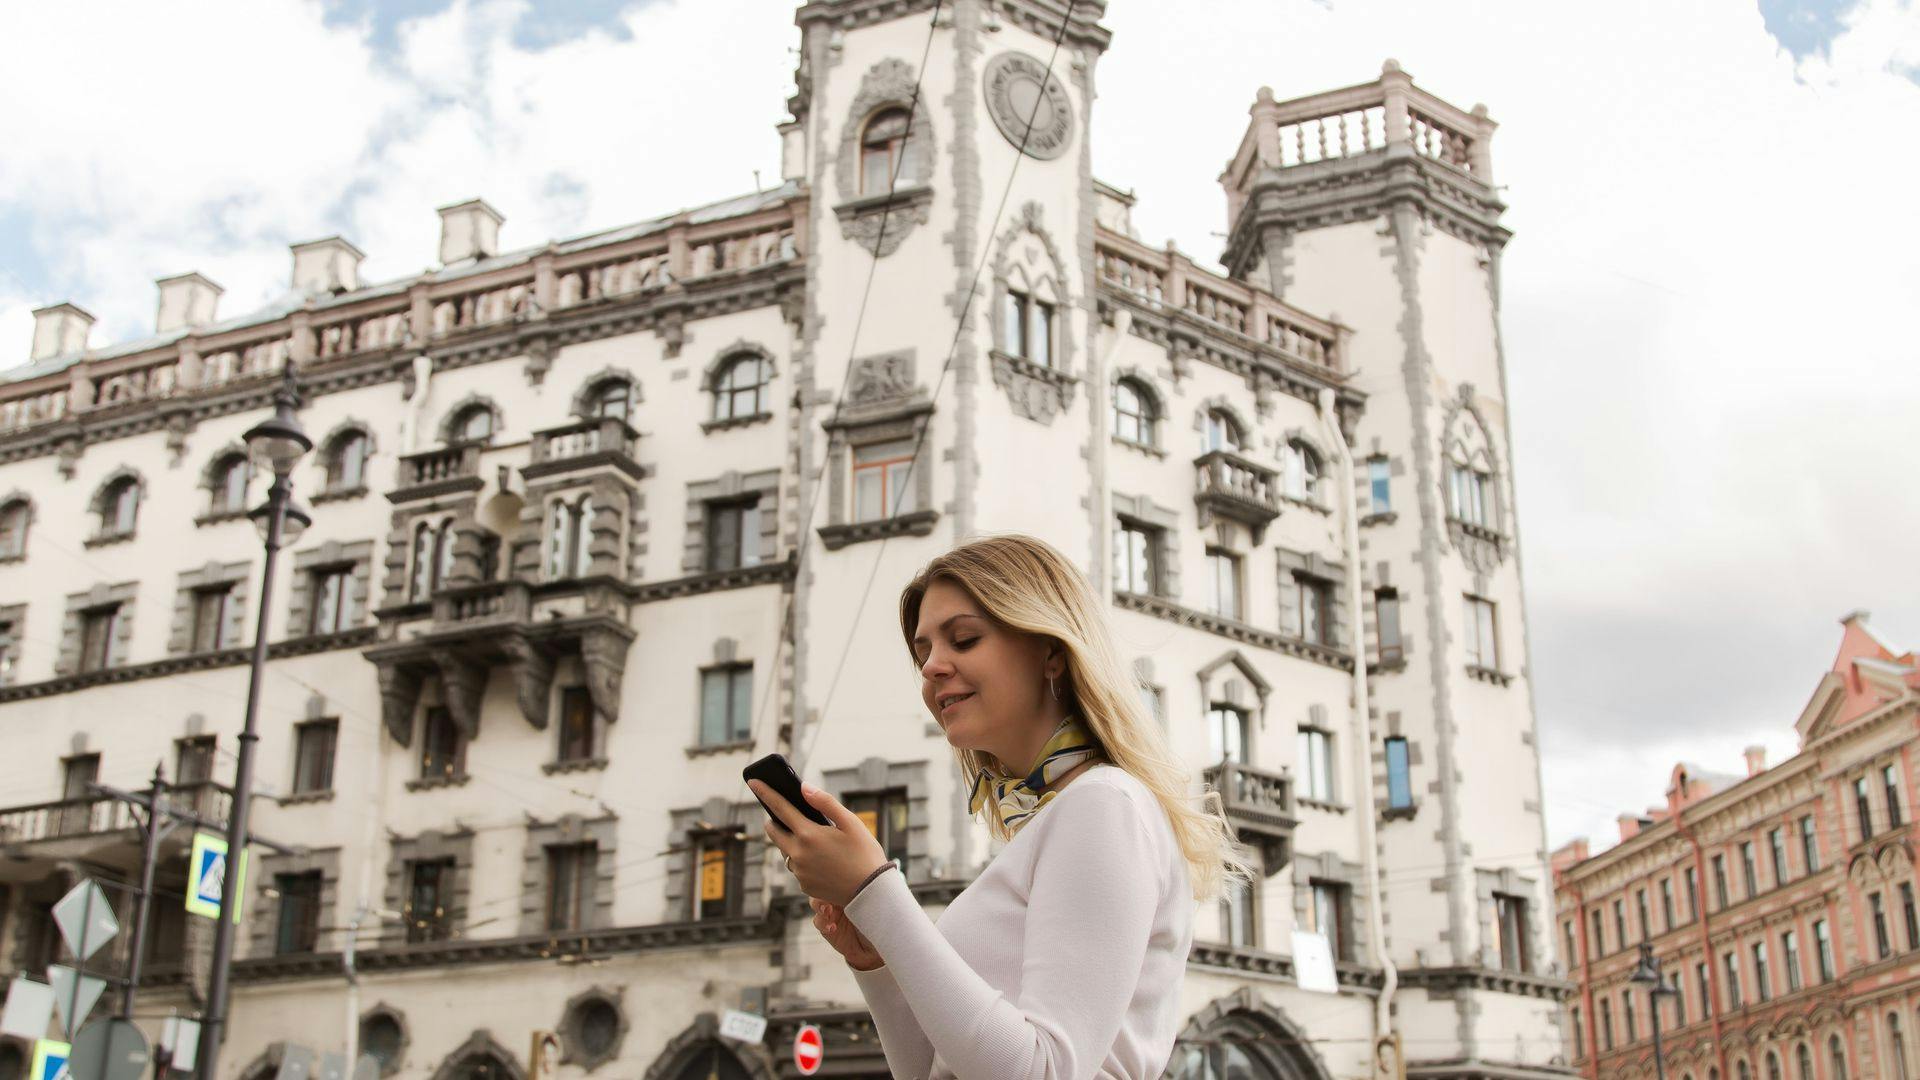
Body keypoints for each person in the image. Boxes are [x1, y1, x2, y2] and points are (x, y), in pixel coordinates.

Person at [749, 533, 1259, 1078]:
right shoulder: (1058, 818)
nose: (931, 668)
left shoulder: (1105, 806)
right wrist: (873, 960)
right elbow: (930, 1072)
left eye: (964, 640)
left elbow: (1043, 1072)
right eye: (923, 652)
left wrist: (874, 891)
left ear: (1052, 652)